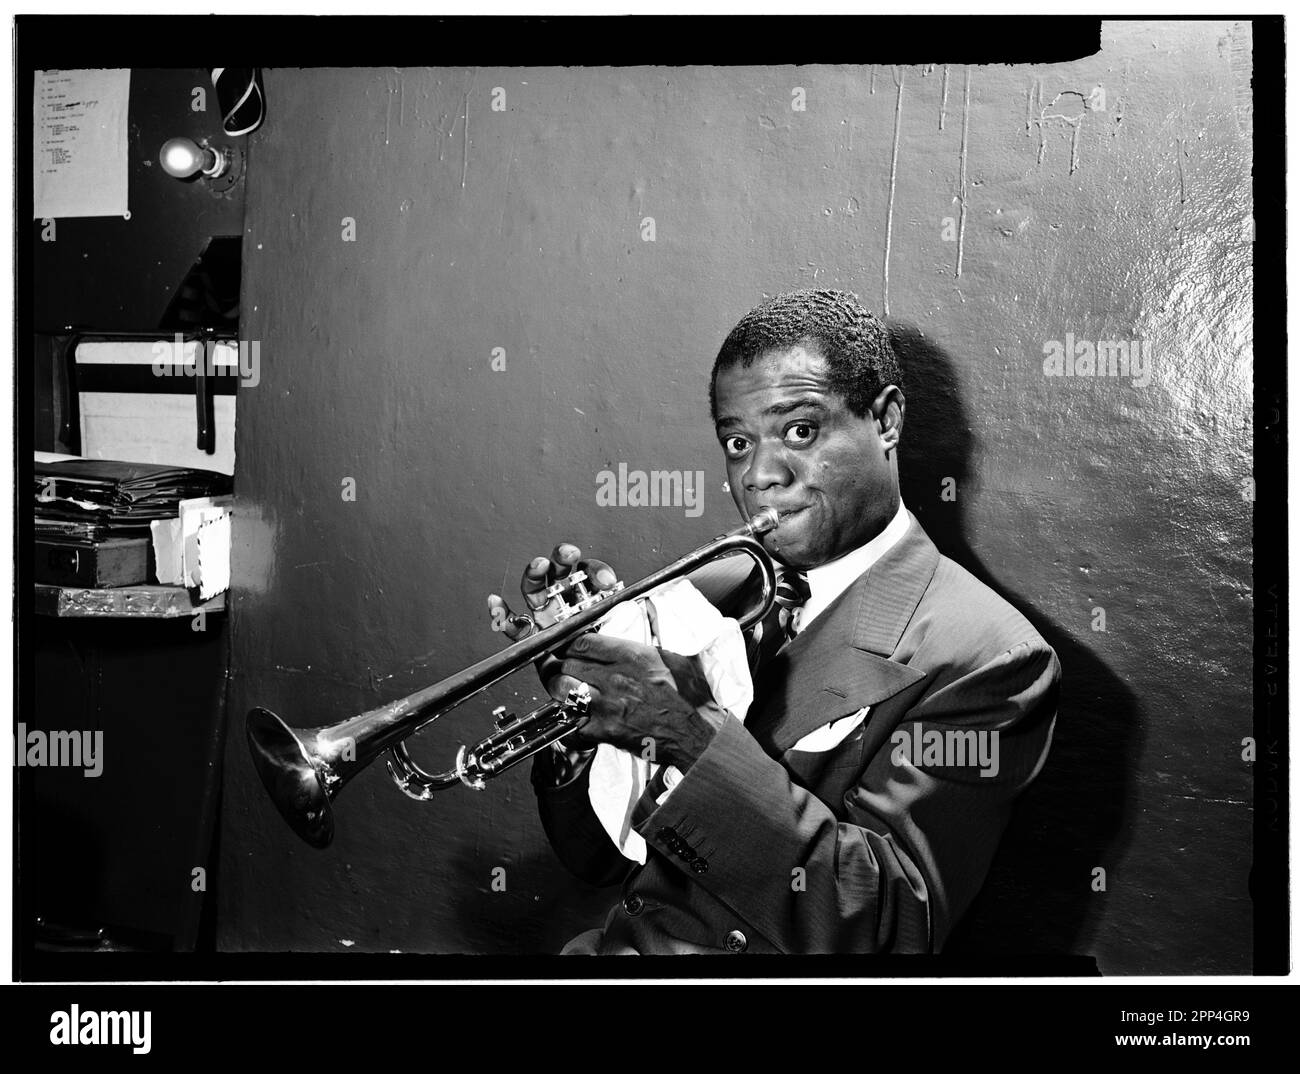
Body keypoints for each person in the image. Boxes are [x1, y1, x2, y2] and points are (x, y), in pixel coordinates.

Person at [487, 289, 1059, 954]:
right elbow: (598, 863)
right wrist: (588, 719)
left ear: (886, 420)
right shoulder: (710, 589)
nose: (759, 474)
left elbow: (890, 928)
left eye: (800, 431)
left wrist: (681, 729)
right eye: (737, 441)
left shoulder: (991, 656)